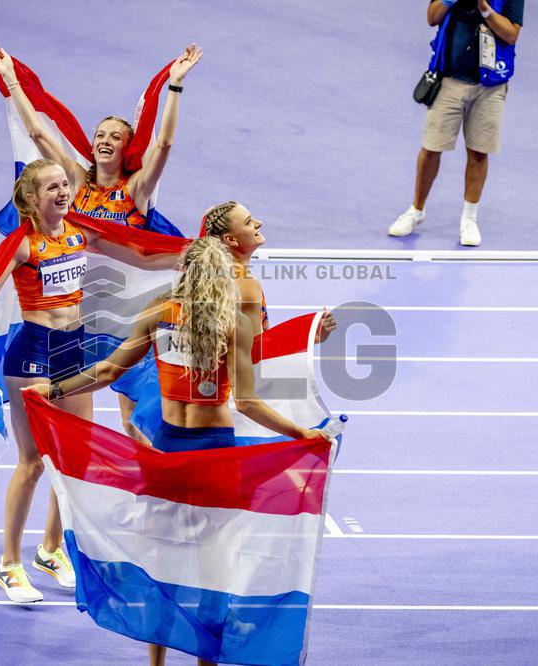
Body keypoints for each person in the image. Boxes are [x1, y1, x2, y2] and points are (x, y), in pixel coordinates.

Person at [38, 235, 326, 665]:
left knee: (162, 558)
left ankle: (156, 663)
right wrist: (301, 434)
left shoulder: (160, 312)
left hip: (169, 451)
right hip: (215, 454)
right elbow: (247, 401)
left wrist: (56, 388)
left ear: (184, 272)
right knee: (215, 565)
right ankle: (203, 661)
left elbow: (110, 368)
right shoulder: (235, 323)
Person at [0, 158, 175, 603]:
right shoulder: (22, 243)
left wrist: (193, 255)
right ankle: (8, 564)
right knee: (33, 463)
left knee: (76, 460)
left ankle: (51, 548)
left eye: (65, 184)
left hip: (73, 349)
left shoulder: (81, 231)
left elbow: (139, 250)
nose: (63, 192)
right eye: (52, 188)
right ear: (31, 198)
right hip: (31, 355)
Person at [0, 37, 201, 444]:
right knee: (70, 421)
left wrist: (174, 86)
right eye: (100, 133)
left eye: (115, 136)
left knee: (133, 416)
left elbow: (164, 144)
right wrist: (12, 81)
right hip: (77, 315)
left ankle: (147, 486)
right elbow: (38, 133)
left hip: (124, 314)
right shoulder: (75, 183)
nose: (104, 140)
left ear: (127, 146)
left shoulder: (136, 189)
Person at [389, 0, 524, 246]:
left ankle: (469, 219)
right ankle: (416, 211)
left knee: (478, 153)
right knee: (430, 149)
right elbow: (432, 17)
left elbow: (511, 34)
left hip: (490, 86)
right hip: (448, 79)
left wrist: (484, 8)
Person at [201, 201, 336, 341]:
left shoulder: (214, 273)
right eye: (248, 222)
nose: (258, 223)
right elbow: (257, 352)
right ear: (231, 239)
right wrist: (311, 336)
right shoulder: (246, 285)